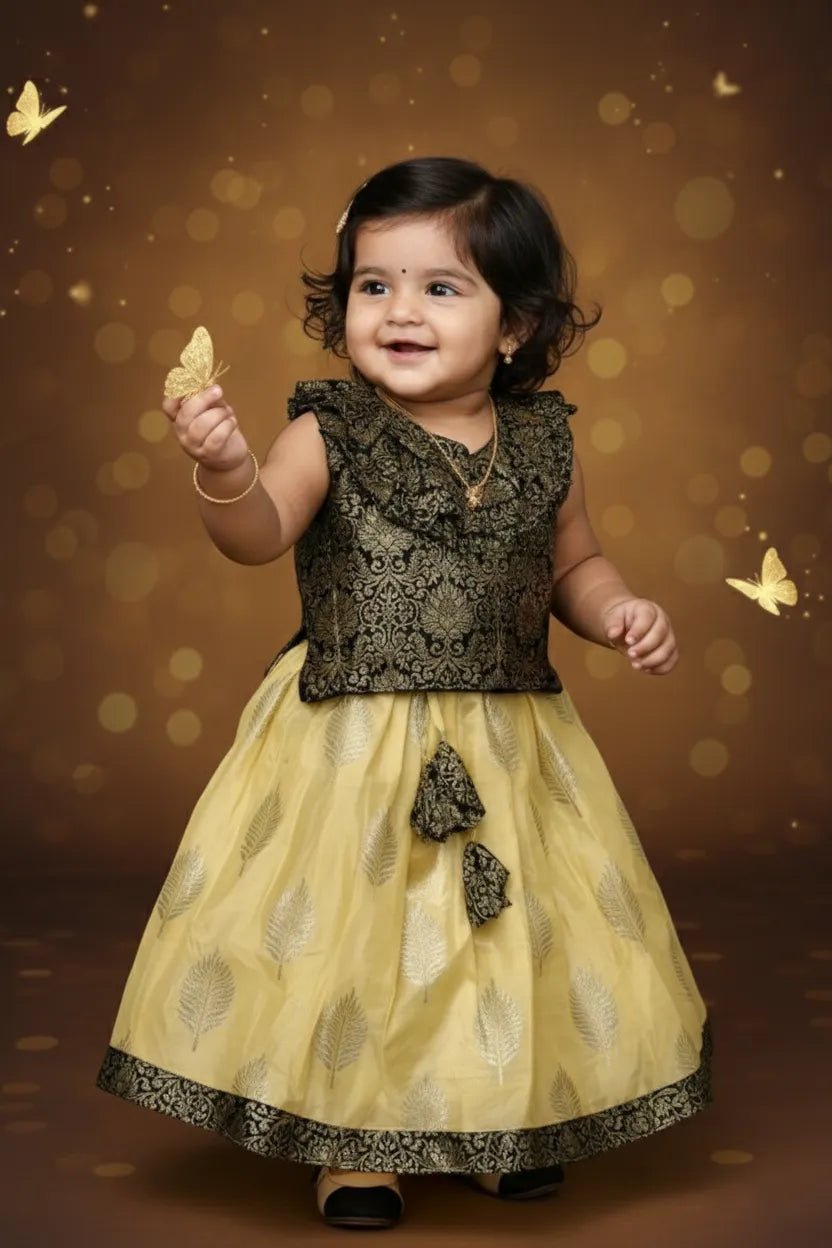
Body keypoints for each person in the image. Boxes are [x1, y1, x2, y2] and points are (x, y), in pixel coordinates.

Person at [95, 156, 713, 1231]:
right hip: (350, 744)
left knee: (501, 935)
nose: (400, 312)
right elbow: (256, 535)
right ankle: (353, 1145)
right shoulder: (327, 431)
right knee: (358, 942)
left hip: (510, 740)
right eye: (372, 285)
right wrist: (226, 472)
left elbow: (574, 563)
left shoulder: (546, 444)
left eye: (441, 287)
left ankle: (500, 1122)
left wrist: (619, 610)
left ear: (515, 325)